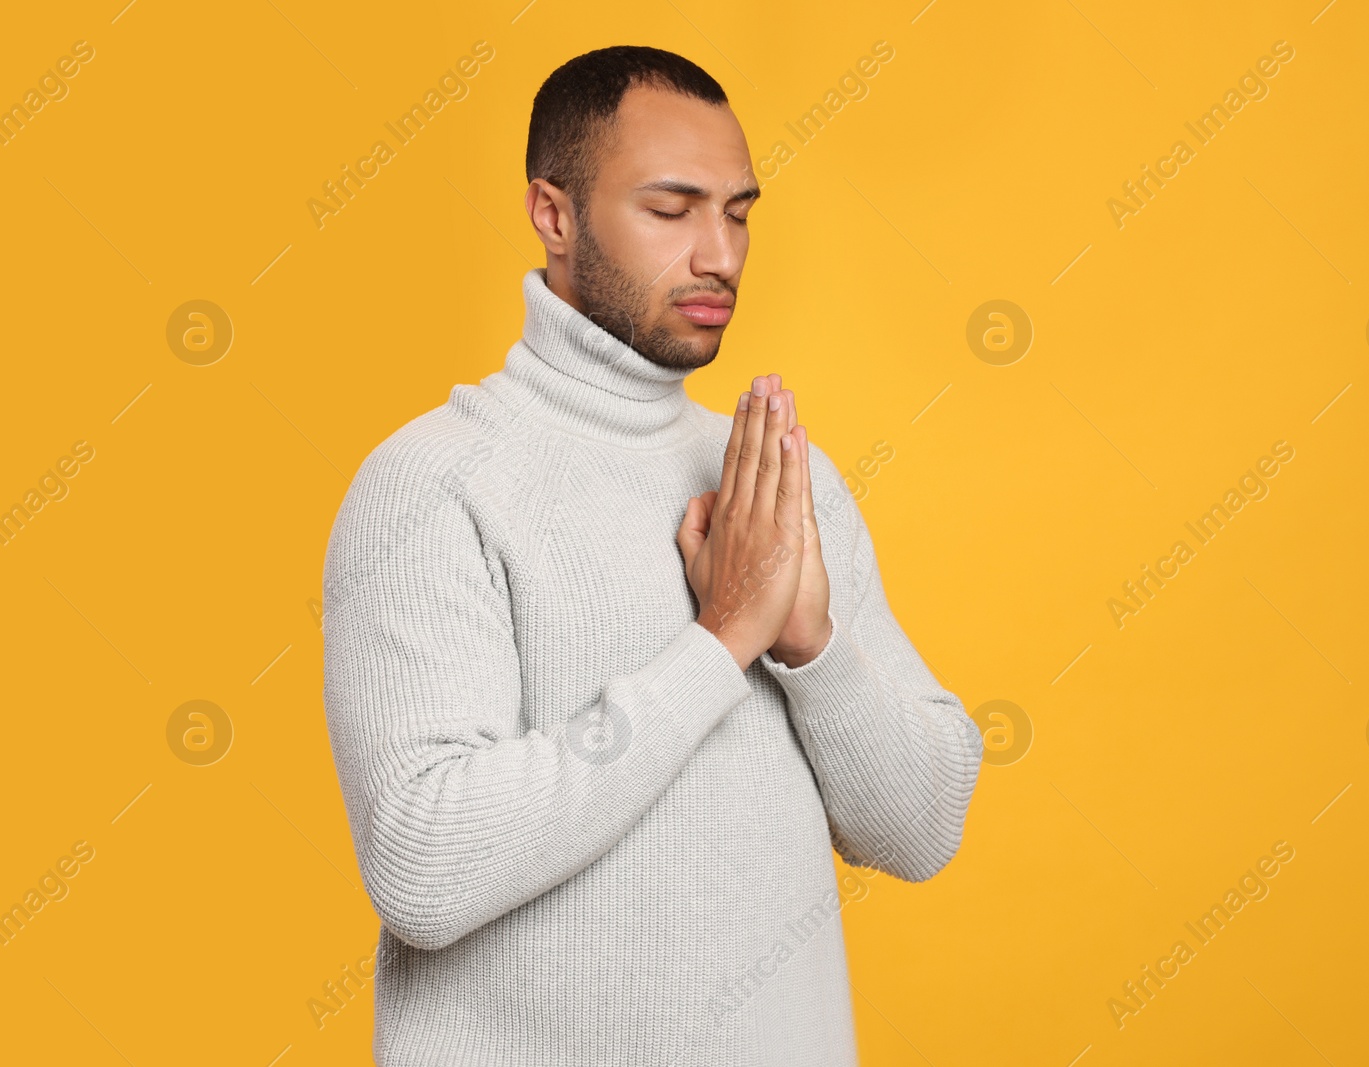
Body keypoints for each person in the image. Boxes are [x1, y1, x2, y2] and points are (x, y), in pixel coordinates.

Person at [320, 44, 982, 1066]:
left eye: (739, 211)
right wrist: (721, 642)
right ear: (553, 213)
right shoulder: (435, 483)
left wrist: (808, 643)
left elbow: (922, 826)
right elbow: (425, 865)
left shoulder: (774, 480)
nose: (719, 253)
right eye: (671, 211)